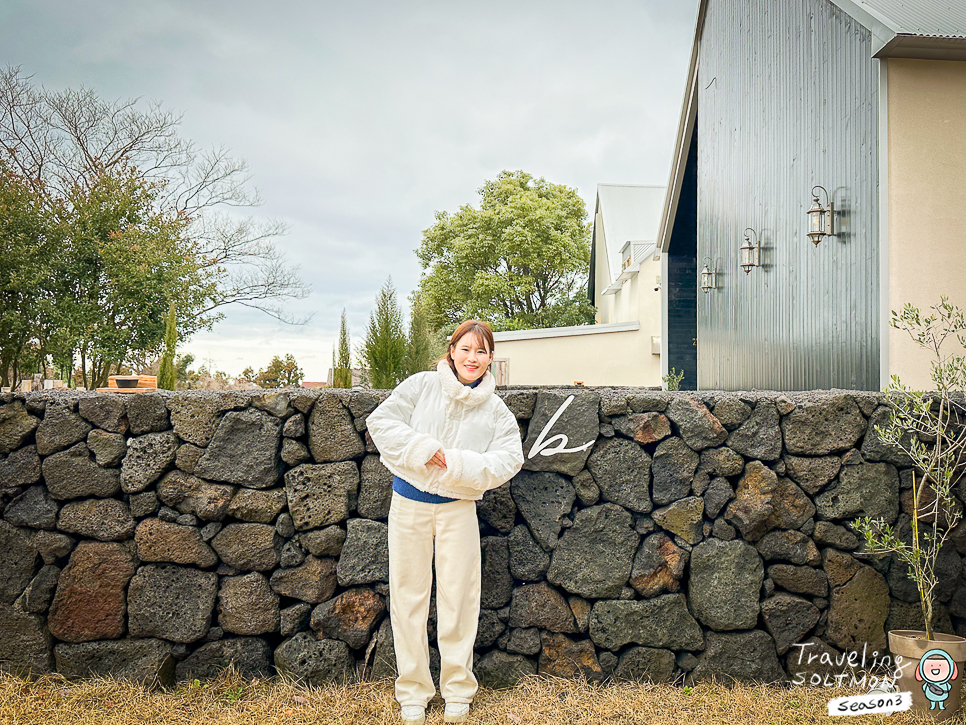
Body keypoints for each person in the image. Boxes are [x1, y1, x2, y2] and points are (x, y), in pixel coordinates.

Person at [365, 319, 524, 725]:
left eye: (482, 351)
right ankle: (413, 693)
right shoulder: (421, 386)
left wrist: (457, 463)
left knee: (460, 600)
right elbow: (381, 423)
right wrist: (424, 448)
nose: (473, 358)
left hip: (458, 511)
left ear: (491, 359)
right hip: (409, 506)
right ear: (452, 350)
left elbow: (509, 459)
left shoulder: (495, 409)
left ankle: (457, 691)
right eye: (466, 349)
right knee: (408, 598)